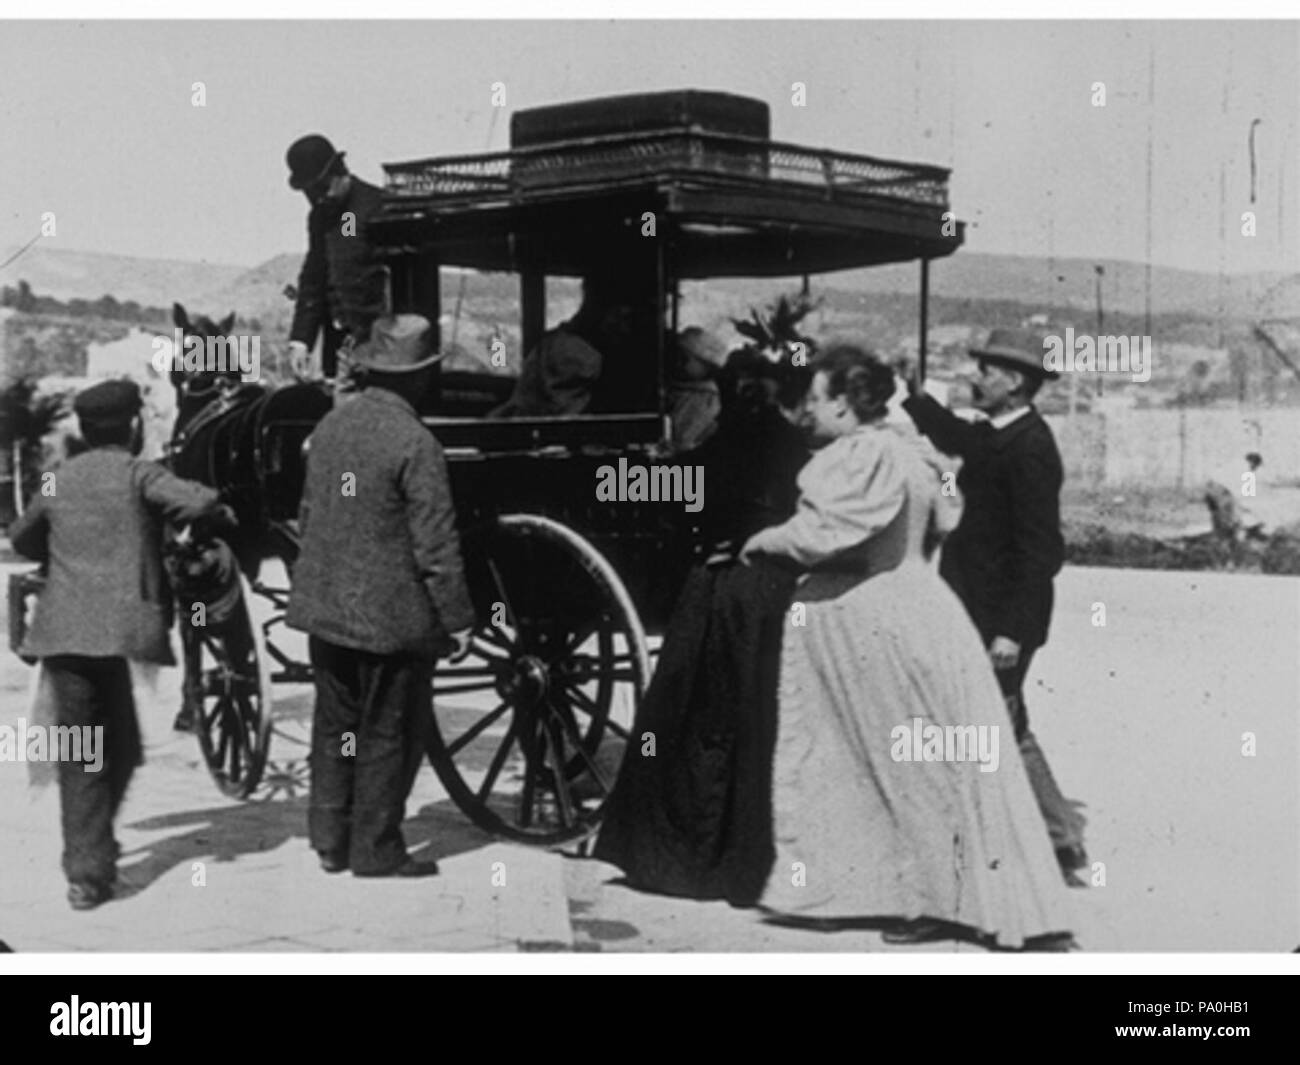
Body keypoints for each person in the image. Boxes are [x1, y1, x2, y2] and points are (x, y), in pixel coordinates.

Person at [745, 344, 1075, 949]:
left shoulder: (862, 454)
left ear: (845, 406)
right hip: (928, 609)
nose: (807, 413)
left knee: (900, 764)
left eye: (815, 400)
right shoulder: (913, 450)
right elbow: (947, 517)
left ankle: (929, 897)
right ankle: (921, 892)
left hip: (878, 615)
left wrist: (763, 540)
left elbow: (827, 532)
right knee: (927, 760)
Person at [592, 349, 811, 905]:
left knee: (698, 712)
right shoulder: (790, 439)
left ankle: (685, 859)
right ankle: (746, 859)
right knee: (753, 716)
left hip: (724, 587)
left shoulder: (732, 439)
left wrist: (626, 477)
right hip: (772, 588)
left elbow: (685, 496)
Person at [9, 379, 233, 910]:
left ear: (85, 431)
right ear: (133, 425)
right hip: (117, 633)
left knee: (102, 749)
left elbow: (22, 537)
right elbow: (198, 502)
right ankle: (88, 867)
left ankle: (91, 856)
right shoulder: (139, 473)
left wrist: (62, 546)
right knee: (107, 750)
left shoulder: (61, 479)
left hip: (66, 635)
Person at [286, 314, 475, 877]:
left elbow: (308, 514)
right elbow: (435, 544)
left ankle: (329, 838)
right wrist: (458, 619)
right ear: (418, 379)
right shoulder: (417, 443)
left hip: (327, 611)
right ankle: (376, 849)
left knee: (335, 727)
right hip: (393, 620)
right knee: (389, 732)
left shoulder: (332, 426)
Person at [902, 327, 1088, 883]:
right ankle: (1057, 840)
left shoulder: (1030, 448)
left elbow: (1040, 552)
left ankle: (1049, 844)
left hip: (1001, 619)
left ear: (1014, 382)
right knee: (1003, 722)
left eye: (986, 372)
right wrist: (914, 395)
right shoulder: (999, 433)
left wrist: (1010, 630)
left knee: (993, 723)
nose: (975, 378)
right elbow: (955, 433)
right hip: (977, 609)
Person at [285, 134, 389, 381]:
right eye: (309, 194)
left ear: (339, 171)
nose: (318, 199)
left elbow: (351, 248)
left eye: (321, 188)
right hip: (339, 351)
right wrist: (300, 340)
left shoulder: (376, 208)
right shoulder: (323, 217)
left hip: (382, 350)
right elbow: (314, 279)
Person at [489, 275, 651, 418]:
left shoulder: (556, 341)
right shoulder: (578, 356)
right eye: (621, 317)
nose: (625, 328)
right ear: (600, 311)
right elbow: (568, 423)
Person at [665, 327, 725, 451]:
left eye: (685, 359)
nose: (678, 362)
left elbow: (682, 439)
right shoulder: (679, 386)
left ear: (706, 367)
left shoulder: (705, 398)